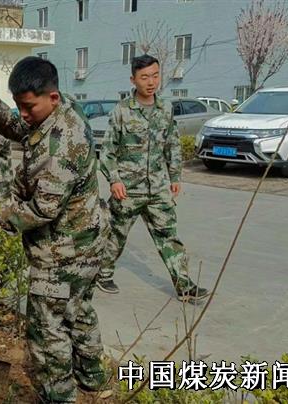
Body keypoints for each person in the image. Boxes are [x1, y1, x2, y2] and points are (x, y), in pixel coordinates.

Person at [0, 56, 111, 403]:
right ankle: (93, 379)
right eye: (18, 105)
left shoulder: (62, 144)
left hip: (62, 252)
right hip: (86, 242)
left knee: (47, 329)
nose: (23, 113)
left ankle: (59, 395)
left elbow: (43, 208)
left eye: (28, 106)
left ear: (51, 97)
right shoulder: (60, 109)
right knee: (78, 310)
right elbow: (23, 129)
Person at [97, 54, 208, 302]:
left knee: (168, 235)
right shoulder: (122, 111)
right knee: (116, 235)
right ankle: (102, 274)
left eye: (155, 76)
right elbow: (107, 151)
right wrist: (114, 180)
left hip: (157, 188)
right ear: (133, 80)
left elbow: (172, 144)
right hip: (127, 189)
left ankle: (184, 285)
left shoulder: (165, 109)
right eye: (145, 77)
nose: (151, 82)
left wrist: (175, 175)